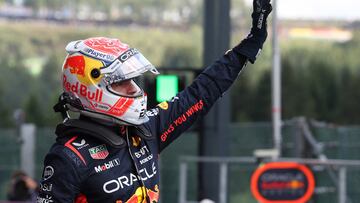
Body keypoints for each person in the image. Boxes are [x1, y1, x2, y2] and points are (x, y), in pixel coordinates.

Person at [37, 0, 272, 202]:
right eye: (121, 82)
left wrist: (253, 41)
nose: (133, 89)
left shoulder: (146, 129)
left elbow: (201, 92)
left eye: (133, 80)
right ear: (90, 89)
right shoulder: (68, 158)